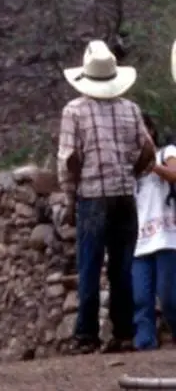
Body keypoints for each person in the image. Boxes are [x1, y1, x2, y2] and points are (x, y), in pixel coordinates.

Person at [58, 39, 153, 354]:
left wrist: (70, 199)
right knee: (122, 267)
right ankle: (124, 333)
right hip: (125, 194)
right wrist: (133, 173)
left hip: (93, 195)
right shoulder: (131, 109)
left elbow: (70, 159)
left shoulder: (74, 111)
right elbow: (147, 151)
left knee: (89, 264)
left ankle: (86, 336)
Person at [132, 114, 176, 350]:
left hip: (167, 236)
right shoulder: (130, 171)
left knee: (170, 298)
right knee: (141, 298)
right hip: (140, 241)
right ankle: (145, 346)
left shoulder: (166, 153)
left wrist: (153, 166)